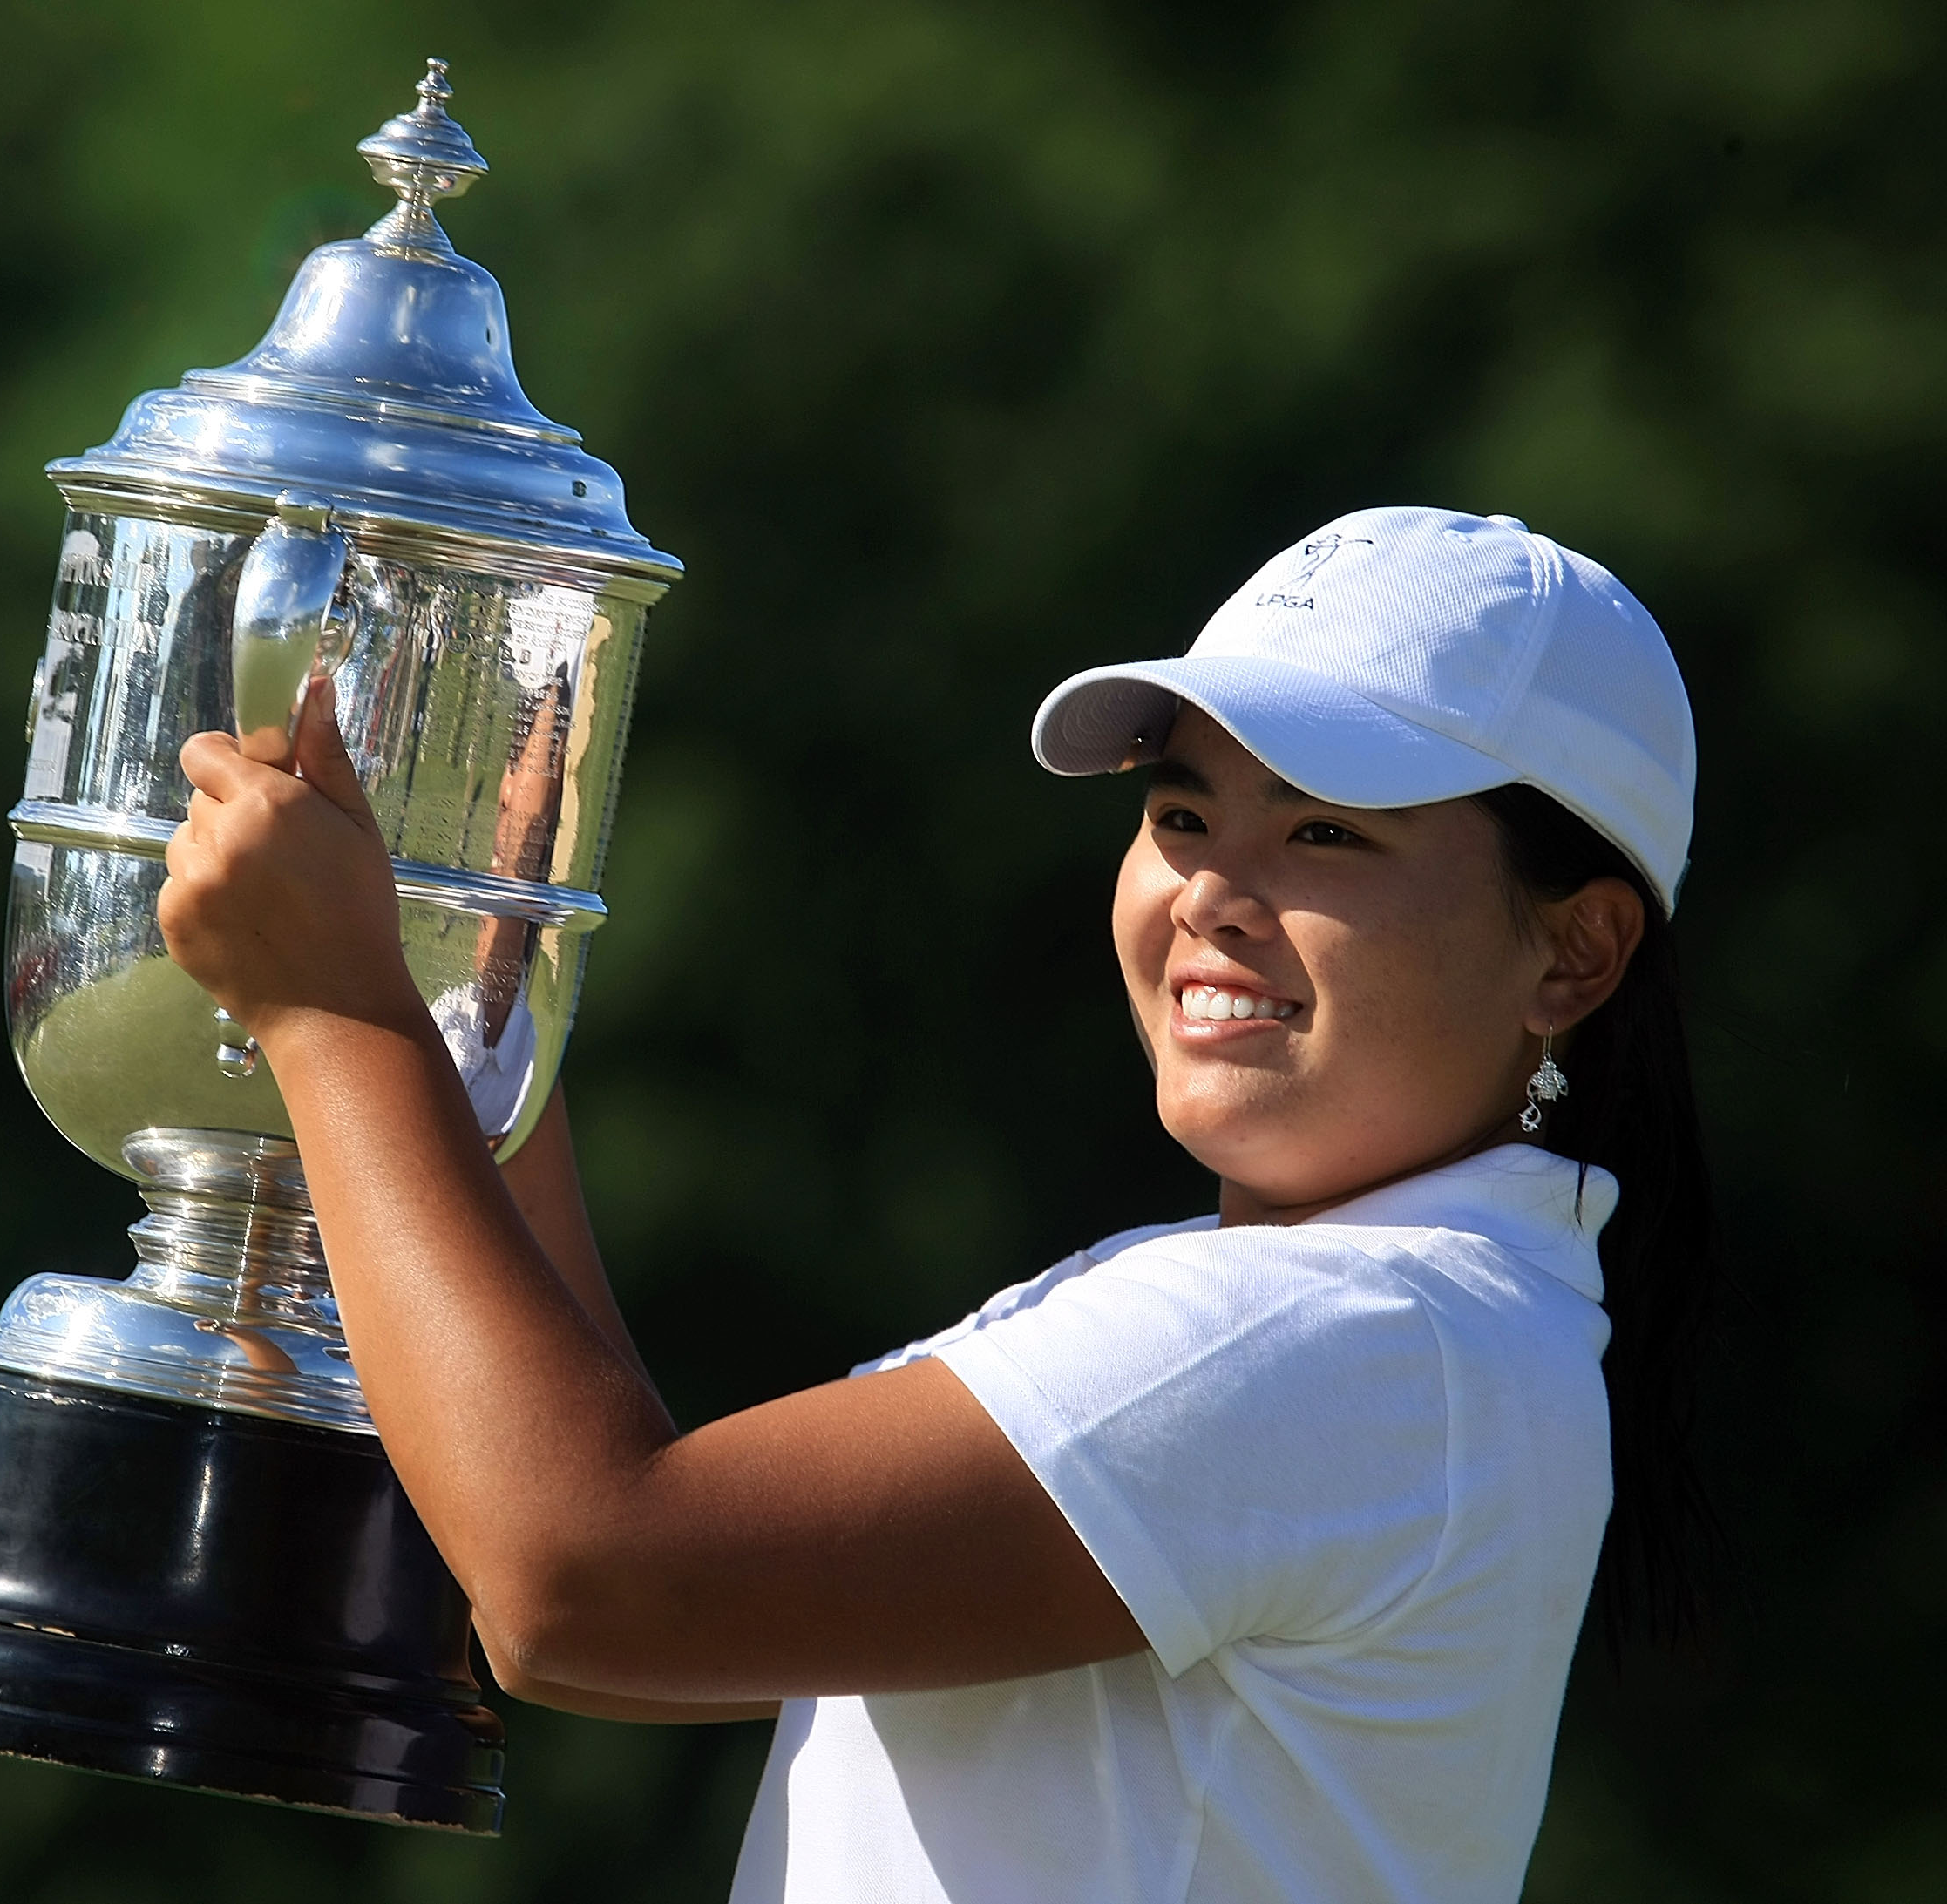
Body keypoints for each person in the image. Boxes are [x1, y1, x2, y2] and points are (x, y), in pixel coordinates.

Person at [155, 505, 1714, 1903]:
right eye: (1182, 815)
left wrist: (331, 1010)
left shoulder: (1363, 1334)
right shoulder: (1372, 1321)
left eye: (1326, 832)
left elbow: (585, 1581)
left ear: (1574, 953)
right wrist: (489, 986)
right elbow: (648, 1622)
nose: (1210, 894)